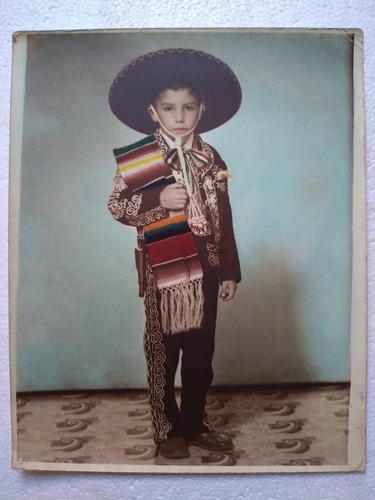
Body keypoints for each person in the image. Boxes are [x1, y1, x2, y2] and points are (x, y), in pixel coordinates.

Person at [108, 48, 242, 459]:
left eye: (188, 107)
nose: (179, 116)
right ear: (153, 111)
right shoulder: (140, 158)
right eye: (169, 108)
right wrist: (158, 199)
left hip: (207, 269)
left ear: (201, 109)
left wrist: (231, 270)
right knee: (163, 353)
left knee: (201, 354)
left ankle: (195, 423)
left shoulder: (209, 157)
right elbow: (118, 206)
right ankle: (166, 428)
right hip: (162, 272)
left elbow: (225, 215)